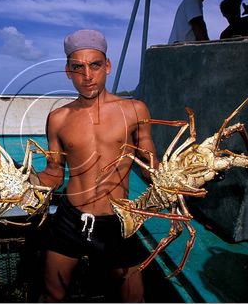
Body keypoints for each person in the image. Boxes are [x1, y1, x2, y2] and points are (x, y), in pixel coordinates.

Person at [36, 29, 159, 302]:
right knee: (51, 294)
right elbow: (54, 175)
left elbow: (150, 168)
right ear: (68, 71)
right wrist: (19, 182)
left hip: (118, 222)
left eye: (95, 65)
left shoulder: (135, 110)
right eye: (78, 67)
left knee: (133, 298)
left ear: (108, 66)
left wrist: (182, 177)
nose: (87, 76)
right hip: (70, 218)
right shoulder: (57, 118)